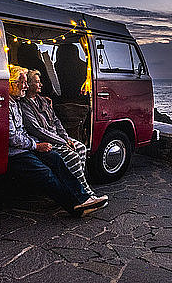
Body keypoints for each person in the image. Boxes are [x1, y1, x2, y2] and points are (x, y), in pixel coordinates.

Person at [6, 65, 107, 216]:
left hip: (29, 145)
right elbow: (14, 137)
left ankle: (84, 196)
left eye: (27, 83)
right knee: (46, 173)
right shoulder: (12, 104)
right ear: (11, 83)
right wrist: (38, 145)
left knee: (57, 159)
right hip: (17, 151)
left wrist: (64, 137)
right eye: (23, 82)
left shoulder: (21, 101)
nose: (26, 87)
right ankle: (75, 206)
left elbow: (55, 121)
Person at [21, 69, 98, 197]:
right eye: (37, 82)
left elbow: (56, 121)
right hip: (45, 141)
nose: (41, 85)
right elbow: (38, 130)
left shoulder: (43, 101)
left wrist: (66, 138)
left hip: (57, 138)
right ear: (28, 85)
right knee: (73, 156)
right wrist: (63, 142)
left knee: (81, 148)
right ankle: (84, 191)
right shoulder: (24, 105)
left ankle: (73, 185)